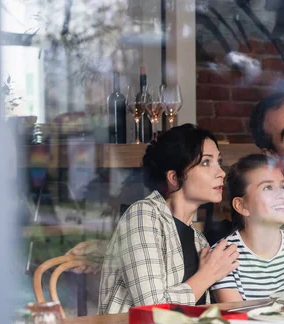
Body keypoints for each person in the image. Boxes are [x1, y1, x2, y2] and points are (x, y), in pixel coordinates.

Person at [98, 124, 239, 314]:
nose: (221, 172)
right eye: (206, 162)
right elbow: (152, 308)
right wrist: (208, 275)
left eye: (218, 162)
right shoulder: (142, 215)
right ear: (174, 177)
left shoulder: (199, 240)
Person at [211, 154, 284, 302]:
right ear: (242, 205)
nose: (282, 194)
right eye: (267, 187)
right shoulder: (223, 256)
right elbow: (237, 316)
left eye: (283, 187)